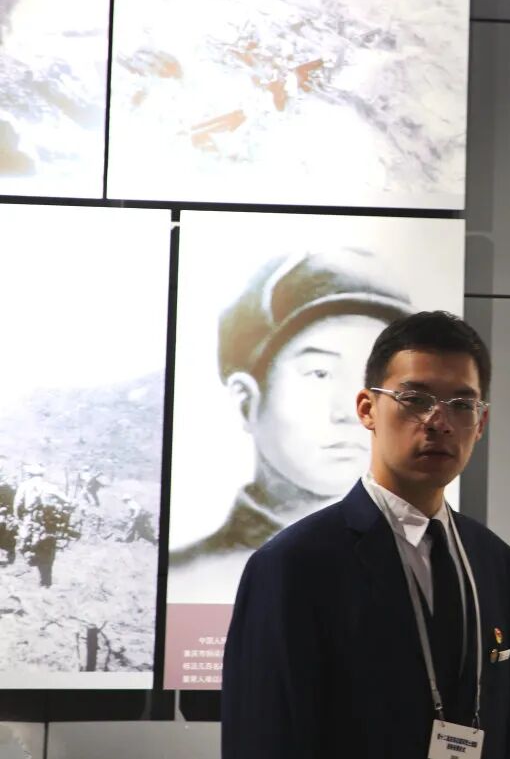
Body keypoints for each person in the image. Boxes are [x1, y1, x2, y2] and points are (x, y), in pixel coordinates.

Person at [223, 311, 510, 759]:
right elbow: (263, 737)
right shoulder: (293, 566)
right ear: (367, 409)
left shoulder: (500, 567)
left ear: (481, 422)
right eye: (415, 399)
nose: (439, 421)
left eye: (461, 404)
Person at [168, 248, 413, 602]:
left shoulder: (424, 570)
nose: (352, 412)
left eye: (374, 379)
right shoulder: (186, 581)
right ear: (246, 399)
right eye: (320, 373)